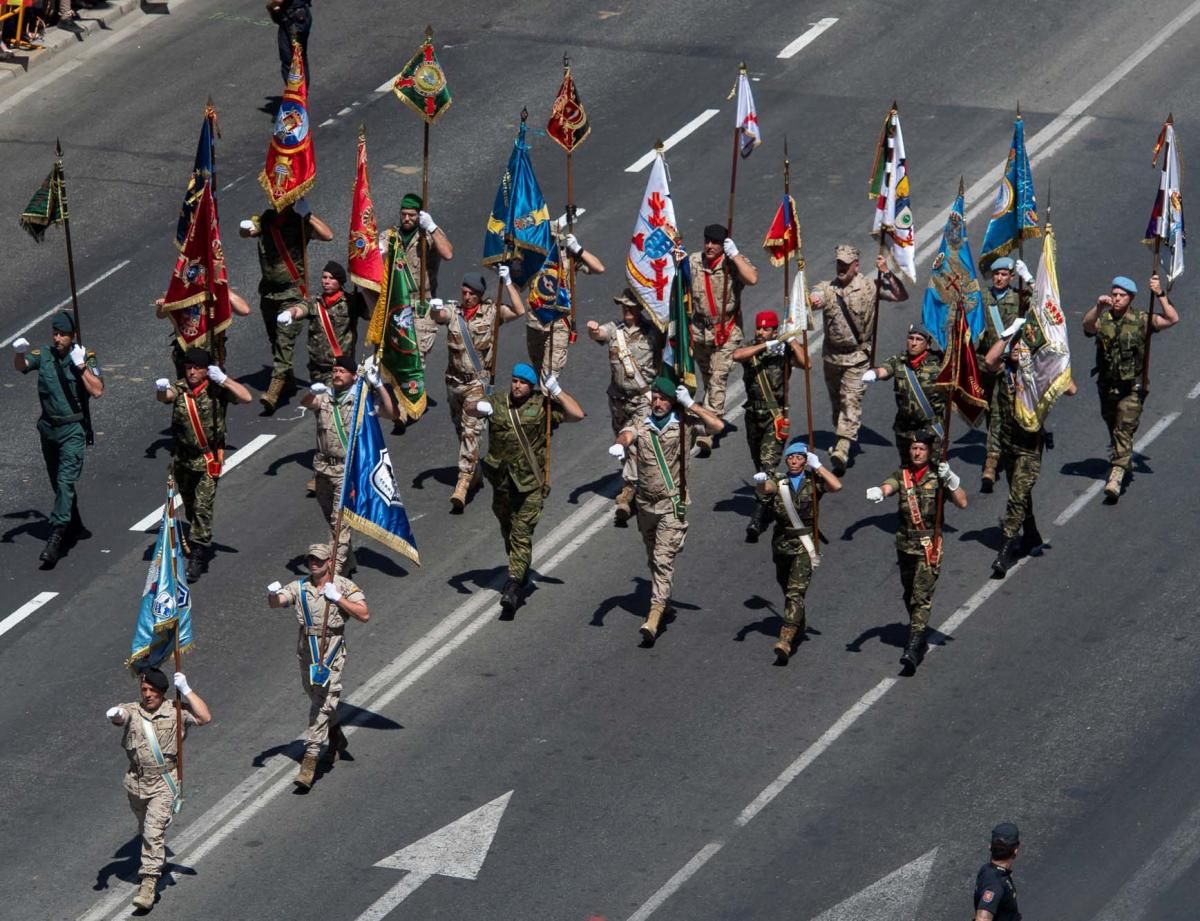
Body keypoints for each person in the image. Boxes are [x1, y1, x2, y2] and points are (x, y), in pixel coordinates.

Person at [611, 377, 723, 645]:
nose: (658, 402)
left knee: (663, 560)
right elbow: (628, 433)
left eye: (664, 398)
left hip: (672, 505)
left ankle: (654, 614)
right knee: (653, 558)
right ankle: (665, 599)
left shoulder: (684, 423)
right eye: (656, 397)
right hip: (646, 505)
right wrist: (621, 443)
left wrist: (692, 405)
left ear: (673, 401)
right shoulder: (644, 422)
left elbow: (717, 426)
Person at [467, 363, 585, 616]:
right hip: (501, 482)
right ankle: (519, 568)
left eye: (522, 383)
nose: (516, 385)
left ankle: (512, 586)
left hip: (530, 483)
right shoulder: (498, 401)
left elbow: (577, 415)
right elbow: (469, 409)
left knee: (521, 533)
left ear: (531, 387)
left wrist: (558, 391)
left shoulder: (543, 405)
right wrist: (478, 407)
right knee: (508, 530)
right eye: (514, 380)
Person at [107, 668, 211, 912]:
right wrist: (115, 714)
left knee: (153, 833)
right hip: (136, 783)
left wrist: (186, 689)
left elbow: (205, 718)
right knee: (146, 830)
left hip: (164, 782)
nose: (147, 694)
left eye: (152, 690)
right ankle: (156, 859)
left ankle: (148, 883)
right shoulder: (134, 711)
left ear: (161, 692)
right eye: (144, 690)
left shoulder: (176, 711)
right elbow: (121, 717)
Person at [267, 543, 369, 790]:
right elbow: (278, 602)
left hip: (331, 648)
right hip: (307, 650)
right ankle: (337, 738)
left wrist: (339, 599)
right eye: (311, 560)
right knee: (318, 698)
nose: (314, 564)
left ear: (330, 562)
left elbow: (364, 614)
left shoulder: (343, 586)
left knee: (321, 704)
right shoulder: (300, 586)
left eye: (319, 560)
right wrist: (272, 594)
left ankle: (309, 761)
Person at [982, 317, 1077, 577]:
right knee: (1020, 493)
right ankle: (1032, 533)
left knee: (1016, 497)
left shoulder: (1036, 373)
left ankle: (1005, 548)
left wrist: (1051, 361)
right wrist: (1007, 334)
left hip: (1029, 448)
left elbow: (1071, 389)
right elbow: (989, 361)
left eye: (1020, 345)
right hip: (1008, 444)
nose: (1015, 348)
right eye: (1013, 345)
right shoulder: (1003, 371)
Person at [866, 432, 967, 670]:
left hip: (928, 546)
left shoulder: (938, 476)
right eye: (914, 448)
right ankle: (919, 634)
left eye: (921, 448)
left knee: (921, 596)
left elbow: (962, 502)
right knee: (909, 594)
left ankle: (913, 647)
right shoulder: (902, 475)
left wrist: (951, 480)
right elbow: (889, 485)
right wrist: (881, 492)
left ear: (930, 451)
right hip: (905, 545)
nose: (917, 452)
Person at [11, 311, 104, 566]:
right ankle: (73, 523)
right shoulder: (46, 355)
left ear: (72, 336)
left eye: (62, 334)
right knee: (57, 482)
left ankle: (56, 537)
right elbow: (22, 366)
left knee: (65, 481)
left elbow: (97, 390)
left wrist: (81, 365)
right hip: (49, 430)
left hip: (72, 429)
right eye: (55, 333)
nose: (57, 338)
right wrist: (19, 353)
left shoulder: (86, 357)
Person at [809, 243, 909, 474]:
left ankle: (842, 447)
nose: (841, 269)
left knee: (851, 400)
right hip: (832, 358)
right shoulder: (828, 288)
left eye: (845, 265)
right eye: (838, 264)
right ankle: (843, 435)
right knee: (838, 404)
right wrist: (812, 299)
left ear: (856, 265)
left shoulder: (868, 287)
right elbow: (815, 296)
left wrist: (887, 273)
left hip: (858, 358)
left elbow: (899, 295)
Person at [155, 348, 253, 581]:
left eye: (196, 368)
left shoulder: (217, 389)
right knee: (190, 506)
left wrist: (225, 379)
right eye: (188, 368)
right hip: (183, 459)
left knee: (202, 508)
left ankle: (198, 554)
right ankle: (197, 535)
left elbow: (246, 397)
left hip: (207, 459)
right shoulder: (181, 388)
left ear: (206, 370)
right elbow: (166, 397)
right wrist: (160, 389)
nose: (191, 372)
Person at [431, 270, 525, 512]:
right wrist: (434, 308)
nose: (466, 297)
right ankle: (475, 473)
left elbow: (519, 311)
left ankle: (462, 483)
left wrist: (508, 282)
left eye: (471, 294)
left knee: (471, 431)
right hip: (454, 383)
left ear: (480, 295)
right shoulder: (455, 312)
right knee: (461, 430)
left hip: (476, 384)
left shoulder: (492, 312)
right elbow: (439, 315)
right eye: (464, 292)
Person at [1082, 273, 1179, 501]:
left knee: (1123, 429)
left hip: (1132, 387)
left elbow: (1172, 318)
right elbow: (1087, 325)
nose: (1116, 298)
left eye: (1121, 295)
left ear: (1131, 297)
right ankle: (1123, 458)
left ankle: (1115, 477)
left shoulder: (1142, 319)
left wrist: (1160, 294)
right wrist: (1097, 306)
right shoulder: (1104, 319)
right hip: (1107, 386)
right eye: (1114, 294)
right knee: (1113, 426)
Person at [301, 354, 397, 575]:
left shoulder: (362, 402)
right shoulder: (325, 398)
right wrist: (311, 392)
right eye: (334, 371)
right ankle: (348, 559)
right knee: (330, 517)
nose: (336, 374)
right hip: (322, 469)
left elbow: (391, 413)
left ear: (354, 377)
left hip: (347, 471)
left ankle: (332, 575)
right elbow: (306, 404)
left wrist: (379, 385)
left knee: (339, 524)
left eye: (342, 371)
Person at [239, 199, 334, 413]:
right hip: (269, 291)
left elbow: (328, 235)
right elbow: (247, 232)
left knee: (284, 341)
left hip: (292, 293)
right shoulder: (266, 219)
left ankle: (274, 391)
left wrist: (308, 215)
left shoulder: (300, 221)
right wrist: (245, 227)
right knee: (275, 339)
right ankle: (287, 378)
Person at [753, 440, 841, 663]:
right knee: (786, 587)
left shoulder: (813, 482)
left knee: (795, 592)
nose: (794, 461)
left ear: (805, 460)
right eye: (791, 457)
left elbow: (836, 486)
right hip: (782, 543)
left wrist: (818, 466)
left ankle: (785, 638)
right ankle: (798, 622)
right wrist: (761, 483)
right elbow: (767, 489)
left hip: (804, 544)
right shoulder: (779, 481)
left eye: (799, 457)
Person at [587, 288, 664, 525]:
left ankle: (627, 492)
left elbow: (671, 346)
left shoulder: (653, 331)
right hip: (618, 399)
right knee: (624, 446)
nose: (627, 311)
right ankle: (637, 481)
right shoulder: (615, 329)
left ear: (641, 308)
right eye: (624, 307)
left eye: (632, 307)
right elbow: (599, 334)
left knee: (631, 441)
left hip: (642, 398)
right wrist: (593, 330)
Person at [731, 309, 810, 542]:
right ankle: (778, 499)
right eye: (759, 328)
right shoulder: (754, 348)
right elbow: (737, 355)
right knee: (759, 467)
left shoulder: (783, 350)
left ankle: (758, 517)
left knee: (766, 467)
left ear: (775, 330)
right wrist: (766, 346)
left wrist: (791, 341)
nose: (761, 332)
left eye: (767, 329)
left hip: (775, 417)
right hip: (753, 415)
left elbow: (807, 363)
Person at [686, 224, 759, 456]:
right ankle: (710, 415)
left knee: (718, 379)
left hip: (726, 331)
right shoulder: (693, 262)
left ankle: (708, 431)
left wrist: (734, 254)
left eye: (715, 242)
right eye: (707, 241)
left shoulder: (732, 263)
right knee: (708, 379)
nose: (709, 246)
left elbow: (752, 279)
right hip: (699, 331)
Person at [975, 256, 1033, 491]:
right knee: (991, 410)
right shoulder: (984, 298)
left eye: (1004, 274)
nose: (999, 278)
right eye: (996, 274)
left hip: (1011, 365)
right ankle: (997, 451)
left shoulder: (1018, 298)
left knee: (1003, 412)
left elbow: (1043, 300)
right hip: (987, 363)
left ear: (1011, 277)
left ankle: (992, 460)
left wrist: (1027, 278)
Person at [522, 229, 605, 377]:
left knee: (550, 377)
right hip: (535, 321)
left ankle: (551, 395)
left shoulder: (568, 255)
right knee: (538, 371)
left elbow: (598, 268)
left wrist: (578, 250)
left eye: (553, 238)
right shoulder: (531, 254)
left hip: (559, 322)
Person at [276, 261, 373, 386]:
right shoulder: (315, 302)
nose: (326, 281)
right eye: (324, 277)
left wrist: (366, 289)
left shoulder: (351, 302)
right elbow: (301, 308)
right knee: (318, 399)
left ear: (340, 281)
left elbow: (371, 313)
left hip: (339, 367)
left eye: (331, 278)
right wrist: (290, 313)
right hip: (317, 367)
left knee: (331, 400)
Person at [862, 323, 946, 465]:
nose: (913, 343)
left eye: (919, 339)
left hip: (930, 429)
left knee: (931, 472)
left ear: (928, 344)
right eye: (911, 338)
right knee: (907, 471)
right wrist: (874, 374)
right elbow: (885, 369)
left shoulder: (939, 362)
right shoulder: (899, 360)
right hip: (905, 428)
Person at [394, 193, 454, 363]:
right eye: (403, 214)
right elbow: (377, 250)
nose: (406, 218)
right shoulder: (392, 235)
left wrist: (431, 227)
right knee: (395, 360)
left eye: (411, 215)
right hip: (396, 307)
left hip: (420, 307)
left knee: (415, 361)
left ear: (419, 215)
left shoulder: (428, 235)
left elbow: (448, 254)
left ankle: (413, 391)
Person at [974, 822, 1022, 921]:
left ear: (990, 846)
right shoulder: (996, 883)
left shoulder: (987, 870)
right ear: (1016, 850)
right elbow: (982, 919)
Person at [266, 0, 311, 83]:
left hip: (293, 20)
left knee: (290, 59)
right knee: (299, 57)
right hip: (299, 15)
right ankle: (301, 92)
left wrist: (270, 6)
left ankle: (296, 92)